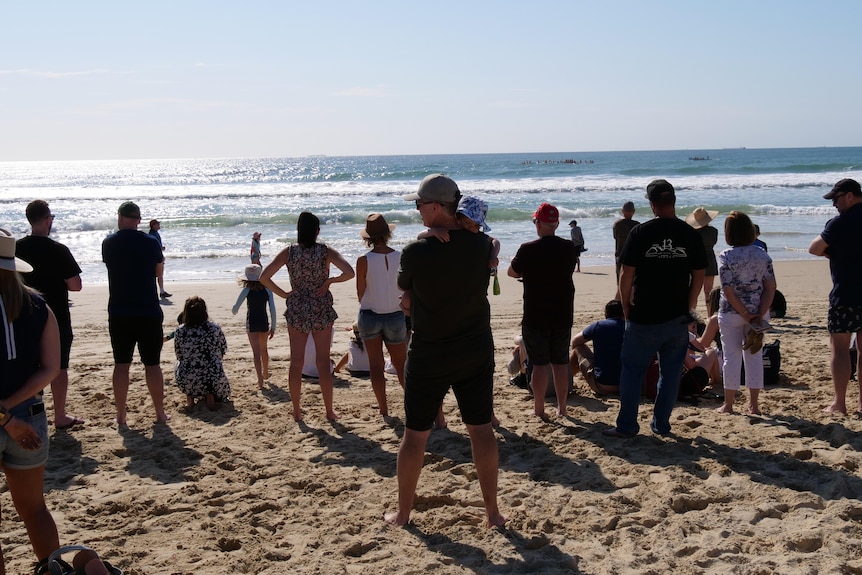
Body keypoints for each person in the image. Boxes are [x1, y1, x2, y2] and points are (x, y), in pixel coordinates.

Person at [384, 174, 506, 528]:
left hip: (430, 353)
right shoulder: (482, 245)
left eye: (420, 205)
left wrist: (411, 302)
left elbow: (404, 294)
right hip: (475, 349)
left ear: (436, 207)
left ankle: (404, 514)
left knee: (415, 435)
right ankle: (493, 514)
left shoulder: (416, 251)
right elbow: (488, 248)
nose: (417, 210)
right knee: (481, 430)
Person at [605, 179, 706, 438]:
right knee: (670, 373)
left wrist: (625, 304)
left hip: (644, 315)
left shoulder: (641, 233)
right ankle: (661, 424)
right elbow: (699, 272)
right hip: (676, 314)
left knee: (633, 370)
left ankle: (628, 425)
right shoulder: (689, 234)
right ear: (673, 201)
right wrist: (691, 301)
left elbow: (627, 272)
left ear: (651, 204)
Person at [0, 229, 61, 575]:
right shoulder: (39, 306)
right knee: (35, 509)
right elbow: (50, 367)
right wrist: (12, 408)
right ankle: (52, 570)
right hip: (29, 416)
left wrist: (3, 415)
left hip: (10, 419)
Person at [259, 211, 355, 422]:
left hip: (297, 308)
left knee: (296, 362)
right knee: (323, 363)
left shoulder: (289, 252)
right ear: (317, 232)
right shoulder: (325, 252)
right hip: (321, 307)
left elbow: (264, 277)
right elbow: (350, 272)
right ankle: (329, 411)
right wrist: (329, 281)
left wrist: (284, 293)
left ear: (299, 232)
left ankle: (296, 411)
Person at [15, 200, 84, 430]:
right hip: (55, 317)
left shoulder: (16, 249)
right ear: (47, 220)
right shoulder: (58, 250)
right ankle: (60, 415)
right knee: (58, 367)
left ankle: (34, 413)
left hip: (23, 317)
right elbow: (75, 286)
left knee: (29, 368)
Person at [102, 201, 170, 425]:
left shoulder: (109, 243)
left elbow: (113, 268)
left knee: (122, 364)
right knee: (153, 365)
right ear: (139, 220)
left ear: (120, 217)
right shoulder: (150, 242)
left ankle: (121, 415)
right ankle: (159, 413)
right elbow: (158, 271)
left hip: (120, 310)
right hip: (148, 309)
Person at [508, 203, 577, 418]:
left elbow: (512, 272)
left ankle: (539, 409)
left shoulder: (528, 249)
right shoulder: (568, 247)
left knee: (538, 363)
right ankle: (562, 408)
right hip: (562, 311)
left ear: (538, 224)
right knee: (560, 362)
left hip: (536, 313)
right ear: (555, 224)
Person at [808, 178, 862, 415]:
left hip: (846, 293)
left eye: (836, 199)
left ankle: (840, 403)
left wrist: (837, 254)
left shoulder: (840, 223)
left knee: (840, 350)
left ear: (849, 196)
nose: (834, 205)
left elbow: (815, 248)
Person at [714, 211, 776, 415]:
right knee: (754, 356)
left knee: (730, 357)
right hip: (758, 311)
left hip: (732, 312)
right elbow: (770, 287)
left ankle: (729, 404)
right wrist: (759, 313)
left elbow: (728, 289)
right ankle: (754, 405)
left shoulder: (726, 256)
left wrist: (744, 313)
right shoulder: (762, 255)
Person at [355, 213, 407, 418]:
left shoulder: (363, 260)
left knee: (375, 366)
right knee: (401, 365)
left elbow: (360, 294)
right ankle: (411, 405)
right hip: (395, 314)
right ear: (387, 234)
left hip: (370, 315)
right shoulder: (401, 256)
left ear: (368, 238)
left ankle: (384, 409)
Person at [174, 296, 230, 411]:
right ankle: (210, 398)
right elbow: (223, 349)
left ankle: (190, 400)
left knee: (181, 364)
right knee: (211, 364)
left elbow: (179, 355)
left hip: (188, 380)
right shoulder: (214, 328)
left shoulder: (180, 331)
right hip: (213, 379)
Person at [232, 264, 276, 388]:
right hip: (263, 321)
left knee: (256, 353)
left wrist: (233, 311)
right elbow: (272, 309)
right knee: (264, 350)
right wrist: (273, 327)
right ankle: (266, 373)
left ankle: (260, 380)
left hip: (251, 322)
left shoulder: (246, 290)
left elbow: (236, 307)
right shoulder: (267, 290)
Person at [571, 300, 626, 396]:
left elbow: (575, 342)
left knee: (578, 348)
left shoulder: (599, 326)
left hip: (602, 385)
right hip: (628, 385)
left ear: (606, 314)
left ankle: (566, 379)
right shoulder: (631, 328)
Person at [686, 207, 720, 309]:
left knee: (693, 291)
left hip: (694, 259)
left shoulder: (690, 233)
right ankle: (709, 314)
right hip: (709, 258)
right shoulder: (713, 231)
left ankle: (692, 312)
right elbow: (713, 243)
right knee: (708, 291)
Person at [612, 202, 640, 282]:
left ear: (622, 211)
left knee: (620, 278)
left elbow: (615, 237)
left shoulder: (617, 224)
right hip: (633, 255)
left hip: (620, 254)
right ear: (633, 211)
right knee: (633, 280)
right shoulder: (637, 225)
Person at [148, 219, 171, 299]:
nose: (159, 225)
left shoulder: (154, 233)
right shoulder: (153, 234)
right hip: (156, 257)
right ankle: (161, 292)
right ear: (153, 226)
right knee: (158, 274)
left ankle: (161, 291)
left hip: (155, 256)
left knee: (158, 275)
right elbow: (154, 246)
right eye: (157, 224)